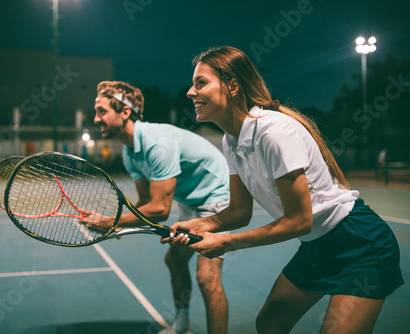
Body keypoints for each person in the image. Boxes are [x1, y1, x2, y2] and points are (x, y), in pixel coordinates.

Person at [164, 46, 404, 334]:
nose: (190, 92)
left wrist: (227, 243)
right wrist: (198, 223)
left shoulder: (274, 132)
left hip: (360, 245)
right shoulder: (231, 140)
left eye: (201, 82)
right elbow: (239, 212)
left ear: (233, 86)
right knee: (269, 324)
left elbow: (299, 221)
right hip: (317, 248)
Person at [90, 80, 231, 334]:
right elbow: (145, 204)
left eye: (102, 111)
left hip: (217, 197)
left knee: (207, 278)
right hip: (191, 201)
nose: (96, 118)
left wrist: (111, 221)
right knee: (175, 261)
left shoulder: (158, 144)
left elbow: (159, 210)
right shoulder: (130, 150)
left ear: (124, 112)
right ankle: (182, 325)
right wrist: (116, 223)